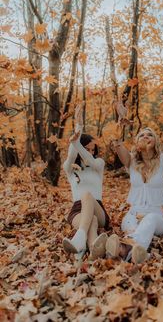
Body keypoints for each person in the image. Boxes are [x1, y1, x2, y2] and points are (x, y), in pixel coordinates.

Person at [107, 91, 163, 263]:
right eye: (141, 135)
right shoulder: (131, 161)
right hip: (132, 214)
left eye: (149, 134)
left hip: (157, 218)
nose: (145, 136)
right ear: (137, 142)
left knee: (150, 219)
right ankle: (134, 252)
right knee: (132, 228)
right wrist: (121, 119)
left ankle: (122, 250)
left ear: (155, 141)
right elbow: (116, 142)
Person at [62, 102, 110, 260]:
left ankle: (80, 235)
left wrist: (76, 141)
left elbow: (90, 160)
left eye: (92, 150)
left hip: (98, 208)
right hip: (77, 210)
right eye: (86, 148)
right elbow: (70, 156)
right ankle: (91, 248)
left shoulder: (99, 164)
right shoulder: (70, 168)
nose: (90, 152)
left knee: (88, 196)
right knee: (92, 220)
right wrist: (78, 127)